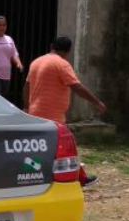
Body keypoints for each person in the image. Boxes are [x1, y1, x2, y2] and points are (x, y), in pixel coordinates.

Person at [24, 37, 106, 187]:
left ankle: (32, 174)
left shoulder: (36, 62)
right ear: (68, 51)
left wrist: (27, 107)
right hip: (53, 115)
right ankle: (80, 178)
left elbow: (27, 86)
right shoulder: (62, 64)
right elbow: (76, 86)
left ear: (51, 46)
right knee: (66, 147)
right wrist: (96, 102)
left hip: (36, 111)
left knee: (39, 147)